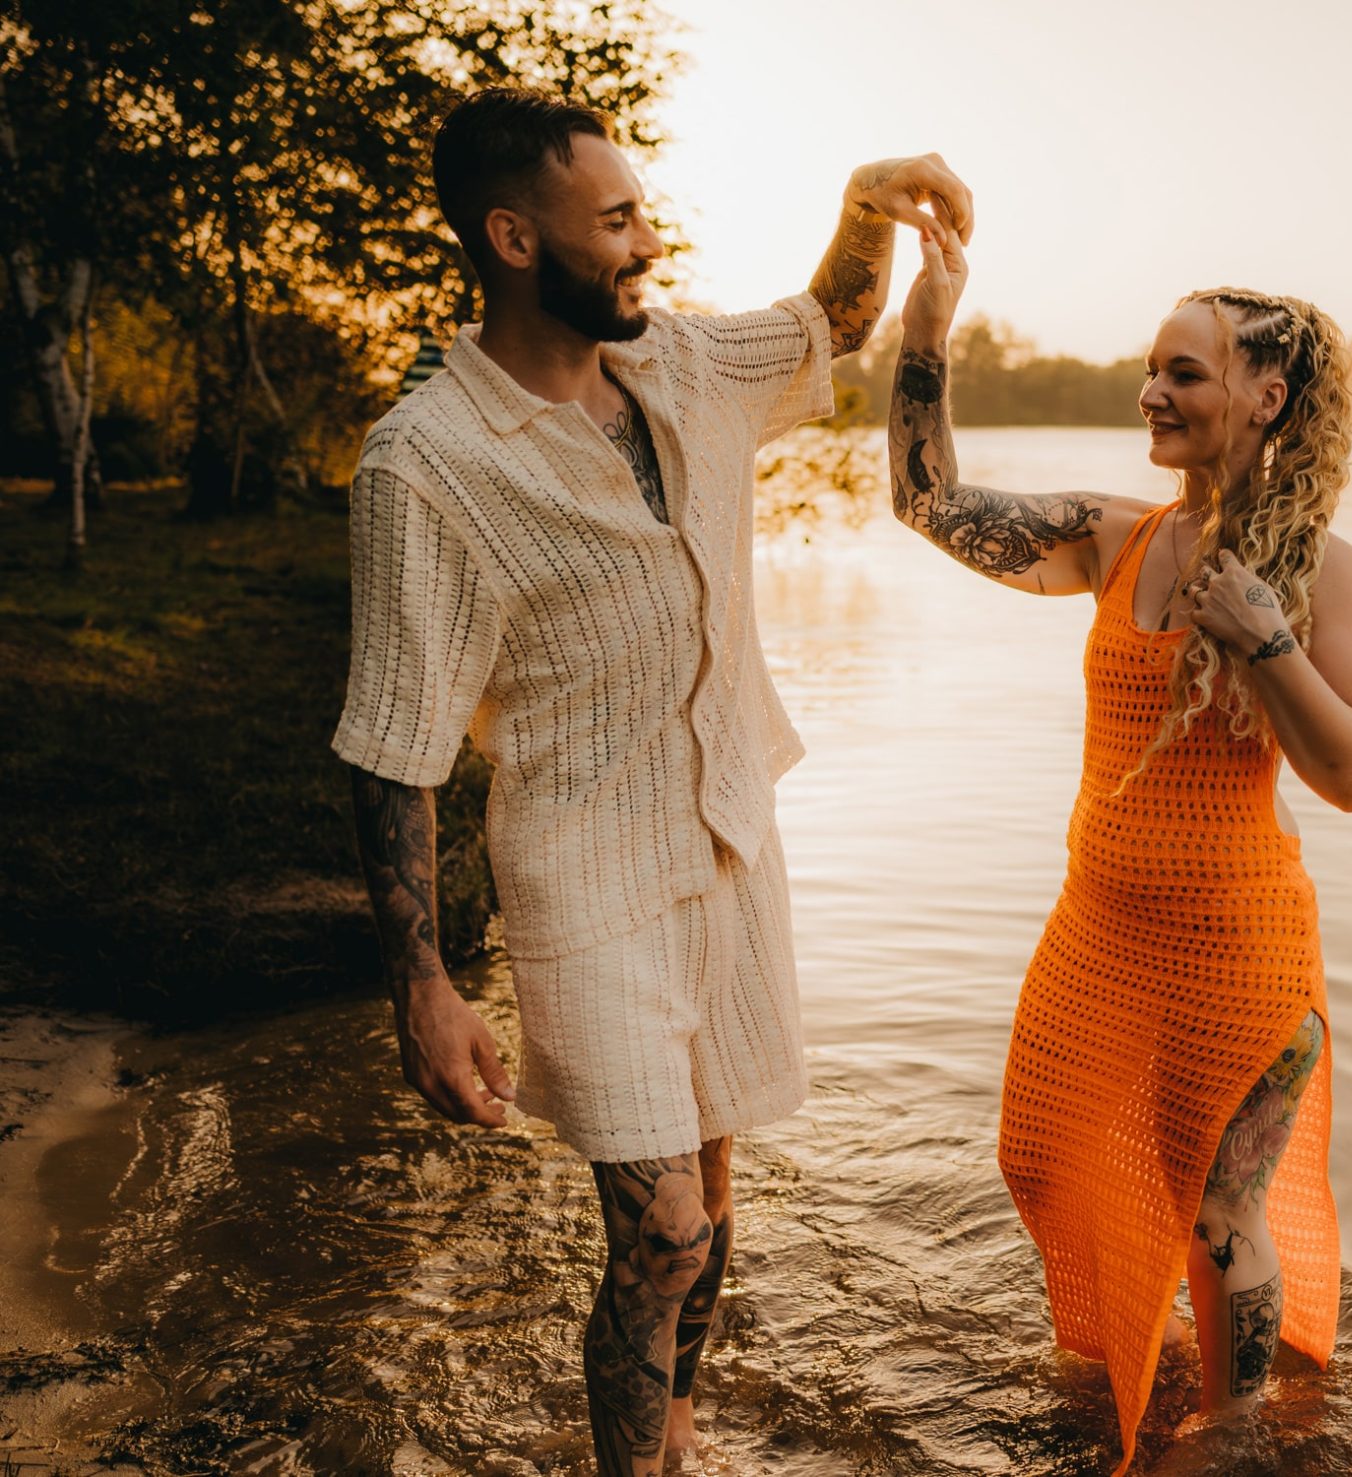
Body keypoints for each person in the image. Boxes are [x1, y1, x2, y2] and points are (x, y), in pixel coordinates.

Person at [331, 87, 971, 1475]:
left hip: (732, 840)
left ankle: (677, 1435)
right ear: (514, 237)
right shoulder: (426, 466)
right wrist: (425, 987)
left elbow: (831, 321)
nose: (645, 243)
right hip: (584, 884)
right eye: (615, 220)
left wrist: (868, 203)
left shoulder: (682, 368)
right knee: (664, 1231)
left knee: (716, 1191)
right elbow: (394, 743)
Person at [886, 231, 1352, 1472]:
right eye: (1151, 369)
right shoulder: (1117, 539)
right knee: (1037, 1144)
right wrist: (925, 336)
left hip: (1237, 948)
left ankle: (1233, 1432)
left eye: (1184, 374)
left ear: (1266, 400)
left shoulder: (1324, 573)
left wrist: (1268, 643)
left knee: (1225, 1208)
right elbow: (925, 503)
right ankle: (1125, 1355)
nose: (1151, 394)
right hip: (1097, 933)